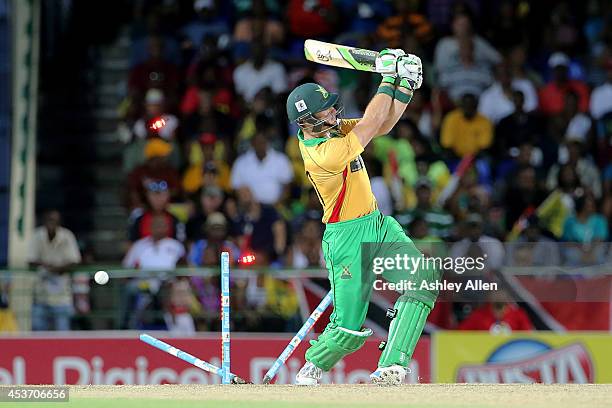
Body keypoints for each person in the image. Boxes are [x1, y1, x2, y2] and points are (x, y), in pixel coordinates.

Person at [285, 49, 438, 386]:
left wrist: (405, 86)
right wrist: (386, 77)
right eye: (325, 110)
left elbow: (383, 123)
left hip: (376, 225)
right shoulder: (322, 154)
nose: (333, 113)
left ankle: (392, 366)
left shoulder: (333, 131)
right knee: (348, 328)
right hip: (346, 237)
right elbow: (368, 126)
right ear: (306, 121)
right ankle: (313, 366)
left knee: (422, 280)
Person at [28, 210, 82, 331]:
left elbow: (75, 260)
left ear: (59, 223)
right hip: (41, 292)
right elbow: (30, 260)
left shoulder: (67, 236)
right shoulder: (37, 235)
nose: (51, 223)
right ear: (44, 221)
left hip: (62, 294)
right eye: (49, 220)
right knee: (38, 332)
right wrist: (47, 265)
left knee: (63, 332)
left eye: (54, 221)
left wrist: (57, 268)